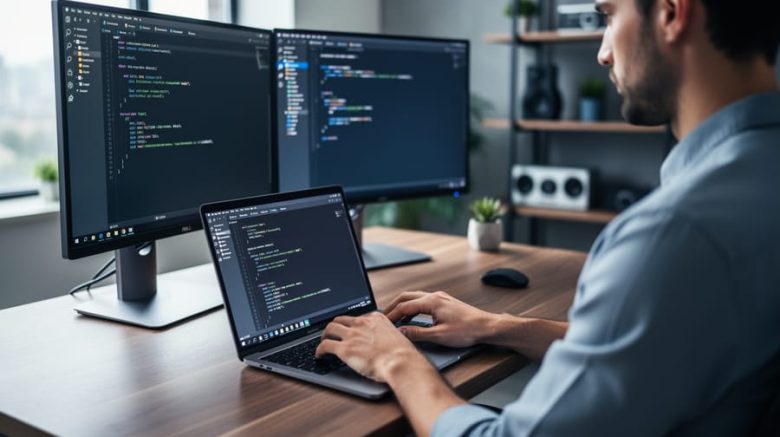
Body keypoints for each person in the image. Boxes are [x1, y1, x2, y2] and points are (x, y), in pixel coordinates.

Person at [315, 0, 780, 435]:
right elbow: (660, 346)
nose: (602, 53)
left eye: (608, 15)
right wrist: (495, 326)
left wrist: (397, 361)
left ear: (671, 13)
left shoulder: (675, 234)